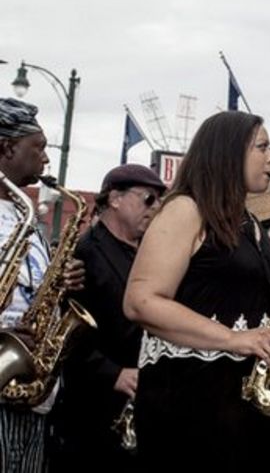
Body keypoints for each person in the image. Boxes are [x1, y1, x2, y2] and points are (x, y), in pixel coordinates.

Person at [123, 111, 270, 472]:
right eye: (262, 147)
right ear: (228, 153)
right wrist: (233, 338)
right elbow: (141, 301)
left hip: (246, 397)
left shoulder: (249, 223)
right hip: (194, 399)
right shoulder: (186, 209)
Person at [55, 164, 166, 471]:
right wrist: (114, 374)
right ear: (115, 199)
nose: (156, 207)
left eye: (159, 201)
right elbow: (66, 331)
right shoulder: (84, 252)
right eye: (148, 199)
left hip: (142, 401)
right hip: (95, 410)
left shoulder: (150, 251)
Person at [0, 98, 84, 473]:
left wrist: (60, 282)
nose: (46, 160)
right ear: (7, 147)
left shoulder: (24, 212)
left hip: (29, 390)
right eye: (39, 148)